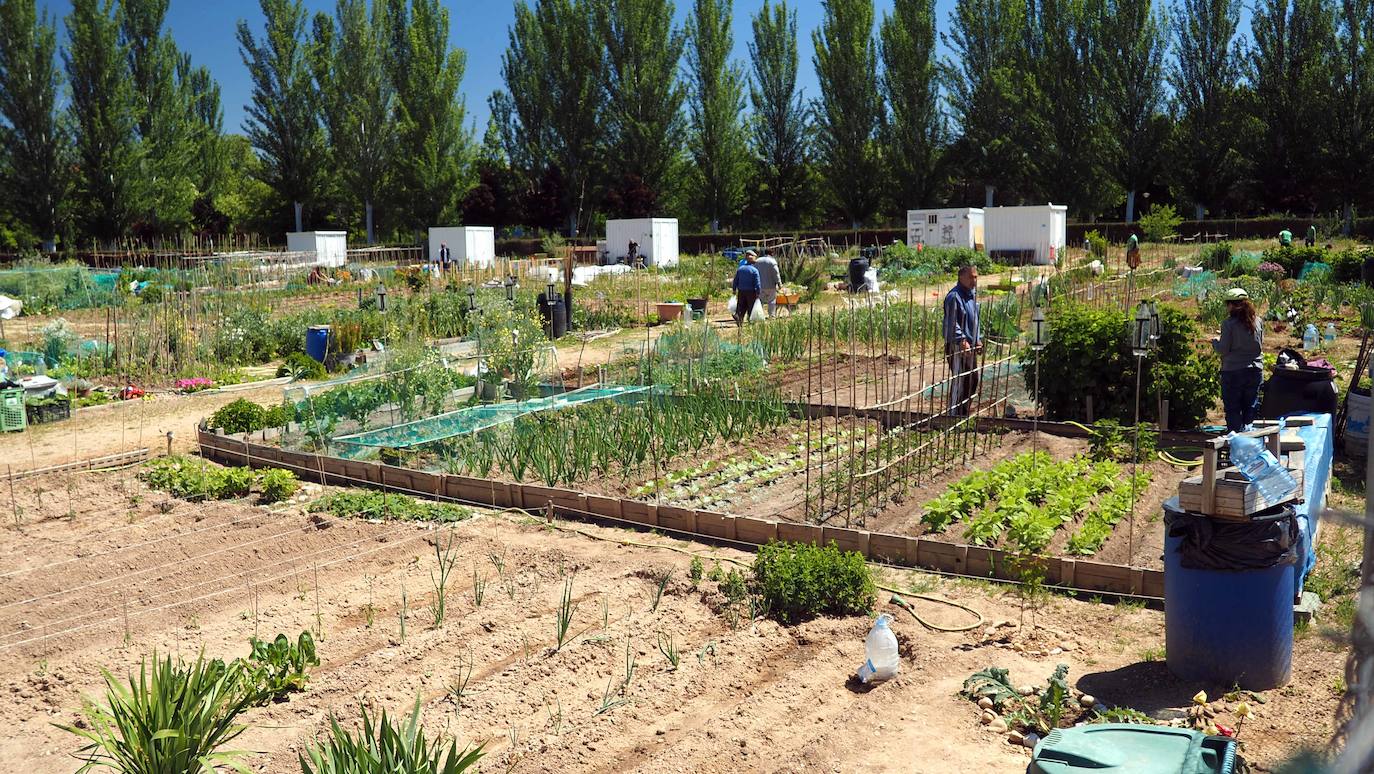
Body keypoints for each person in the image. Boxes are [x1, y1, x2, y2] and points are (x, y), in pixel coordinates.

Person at [1212, 288, 1264, 432]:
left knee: (1233, 409)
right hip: (1255, 370)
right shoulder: (1258, 321)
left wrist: (1215, 342)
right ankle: (1250, 442)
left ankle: (1236, 444)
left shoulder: (1228, 324)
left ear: (1231, 305)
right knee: (1251, 408)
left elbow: (1223, 349)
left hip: (1233, 371)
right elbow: (1259, 344)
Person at [942, 265, 981, 416]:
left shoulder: (971, 295)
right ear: (961, 277)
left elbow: (975, 320)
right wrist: (961, 340)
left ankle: (963, 412)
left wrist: (977, 339)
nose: (974, 280)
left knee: (973, 379)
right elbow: (952, 323)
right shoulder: (954, 296)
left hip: (970, 345)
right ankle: (953, 414)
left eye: (976, 277)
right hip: (958, 346)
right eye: (971, 277)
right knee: (960, 380)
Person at [732, 250, 762, 326]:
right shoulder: (754, 270)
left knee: (741, 306)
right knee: (750, 307)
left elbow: (735, 280)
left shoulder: (740, 269)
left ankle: (739, 319)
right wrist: (758, 292)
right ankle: (750, 322)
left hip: (741, 291)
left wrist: (734, 289)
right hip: (751, 291)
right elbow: (757, 283)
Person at [754, 251, 781, 317]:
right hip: (770, 285)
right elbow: (776, 274)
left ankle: (758, 315)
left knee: (760, 301)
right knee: (771, 301)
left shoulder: (757, 261)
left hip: (760, 285)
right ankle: (771, 315)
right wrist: (779, 283)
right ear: (771, 254)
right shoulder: (772, 262)